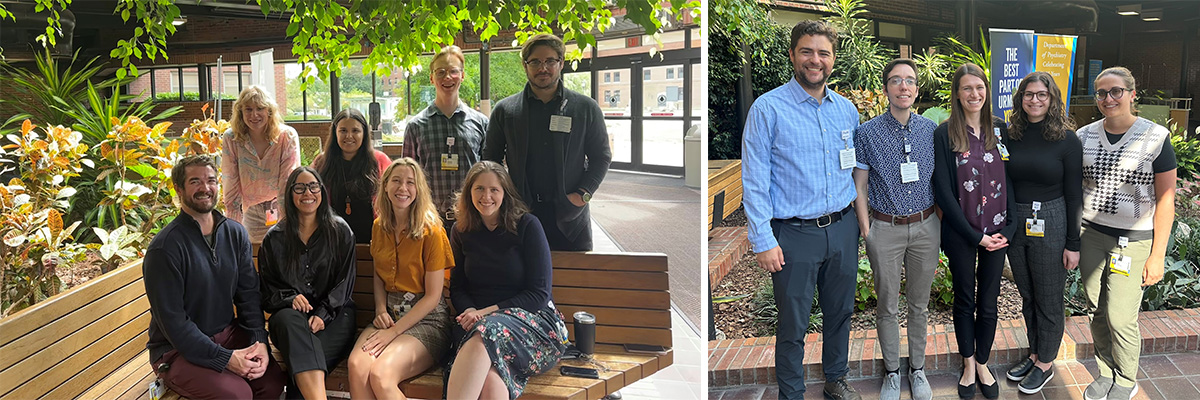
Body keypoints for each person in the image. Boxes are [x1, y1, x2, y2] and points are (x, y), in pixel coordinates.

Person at [741, 20, 862, 400]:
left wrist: (861, 226)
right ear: (793, 54)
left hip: (842, 228)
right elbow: (755, 180)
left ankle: (835, 379)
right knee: (793, 322)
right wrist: (762, 239)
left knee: (840, 313)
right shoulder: (768, 109)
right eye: (807, 51)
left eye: (823, 53)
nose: (815, 60)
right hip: (794, 234)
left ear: (833, 59)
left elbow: (855, 168)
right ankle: (791, 392)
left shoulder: (846, 110)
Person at [142, 154, 286, 399]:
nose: (205, 188)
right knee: (238, 395)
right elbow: (174, 324)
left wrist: (259, 341)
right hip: (176, 350)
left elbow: (249, 296)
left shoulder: (235, 233)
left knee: (270, 383)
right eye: (195, 182)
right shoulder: (164, 249)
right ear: (178, 188)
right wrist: (226, 359)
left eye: (210, 180)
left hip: (227, 334)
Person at [1078, 67, 1174, 400]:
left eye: (1116, 91)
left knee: (1120, 316)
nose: (1108, 99)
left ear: (1133, 94)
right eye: (1101, 93)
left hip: (1133, 241)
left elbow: (1166, 200)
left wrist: (1158, 254)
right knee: (1095, 309)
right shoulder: (1084, 136)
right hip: (1091, 234)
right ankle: (1105, 371)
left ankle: (1126, 378)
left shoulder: (1156, 137)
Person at [851, 58, 938, 400]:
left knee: (919, 305)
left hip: (925, 226)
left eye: (910, 81)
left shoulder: (931, 131)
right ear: (886, 87)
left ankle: (917, 370)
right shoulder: (867, 132)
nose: (904, 86)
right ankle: (891, 371)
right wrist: (866, 228)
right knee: (887, 304)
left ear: (917, 89)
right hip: (884, 229)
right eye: (896, 80)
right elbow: (859, 184)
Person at [446, 161, 569, 400]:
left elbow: (539, 294)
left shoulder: (527, 226)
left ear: (505, 193)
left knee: (485, 332)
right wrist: (471, 310)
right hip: (478, 327)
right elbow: (458, 286)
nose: (486, 196)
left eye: (494, 189)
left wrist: (484, 313)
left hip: (533, 325)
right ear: (469, 192)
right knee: (491, 384)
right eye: (479, 188)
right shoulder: (461, 230)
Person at [931, 63, 1016, 400]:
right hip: (962, 233)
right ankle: (968, 364)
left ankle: (983, 362)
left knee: (990, 301)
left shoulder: (1000, 130)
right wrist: (973, 235)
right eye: (967, 88)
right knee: (965, 299)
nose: (974, 94)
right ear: (957, 93)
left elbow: (1011, 179)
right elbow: (943, 191)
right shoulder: (944, 133)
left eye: (979, 87)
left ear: (987, 91)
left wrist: (1009, 228)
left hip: (998, 232)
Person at [482, 33, 611, 251]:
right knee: (521, 280)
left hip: (570, 218)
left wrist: (583, 194)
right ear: (525, 65)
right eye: (536, 62)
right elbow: (490, 159)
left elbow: (601, 157)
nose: (543, 68)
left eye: (550, 61)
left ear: (561, 63)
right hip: (519, 215)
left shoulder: (585, 108)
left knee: (572, 282)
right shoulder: (505, 111)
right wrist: (503, 197)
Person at [1001, 71, 1082, 395]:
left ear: (1052, 99)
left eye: (1041, 94)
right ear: (1020, 99)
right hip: (1016, 219)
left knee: (1049, 296)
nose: (1035, 100)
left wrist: (1073, 243)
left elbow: (1074, 192)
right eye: (1029, 94)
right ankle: (1034, 352)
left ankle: (1046, 363)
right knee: (1028, 294)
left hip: (1051, 217)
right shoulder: (1010, 135)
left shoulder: (1066, 139)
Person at [346, 158, 454, 399]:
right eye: (396, 181)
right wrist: (380, 309)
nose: (402, 188)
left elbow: (433, 296)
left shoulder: (432, 231)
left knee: (381, 374)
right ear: (385, 186)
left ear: (418, 190)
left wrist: (392, 334)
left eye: (410, 183)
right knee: (357, 366)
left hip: (427, 319)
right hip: (390, 316)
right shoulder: (379, 226)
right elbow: (378, 274)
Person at [258, 167, 358, 400]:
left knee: (302, 367)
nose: (307, 193)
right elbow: (267, 290)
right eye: (299, 187)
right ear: (290, 194)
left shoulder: (341, 231)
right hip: (289, 320)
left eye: (313, 186)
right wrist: (290, 298)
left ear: (322, 191)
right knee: (289, 319)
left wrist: (323, 314)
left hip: (336, 316)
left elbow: (344, 284)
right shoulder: (274, 238)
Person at [403, 45, 488, 232]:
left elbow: (490, 175)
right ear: (432, 78)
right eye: (440, 72)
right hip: (429, 222)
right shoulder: (416, 126)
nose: (447, 77)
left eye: (453, 71)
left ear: (462, 76)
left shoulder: (481, 123)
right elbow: (408, 179)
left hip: (473, 220)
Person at [222, 85, 301, 243]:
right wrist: (233, 229)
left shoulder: (287, 136)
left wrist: (287, 224)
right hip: (250, 211)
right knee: (253, 257)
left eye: (260, 108)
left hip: (281, 207)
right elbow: (230, 183)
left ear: (269, 111)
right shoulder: (232, 138)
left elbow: (287, 182)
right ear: (240, 112)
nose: (254, 115)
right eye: (248, 109)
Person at [313, 108, 392, 243]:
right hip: (333, 242)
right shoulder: (321, 163)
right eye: (343, 131)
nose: (349, 136)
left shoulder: (380, 161)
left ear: (364, 133)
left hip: (373, 241)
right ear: (335, 133)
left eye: (355, 131)